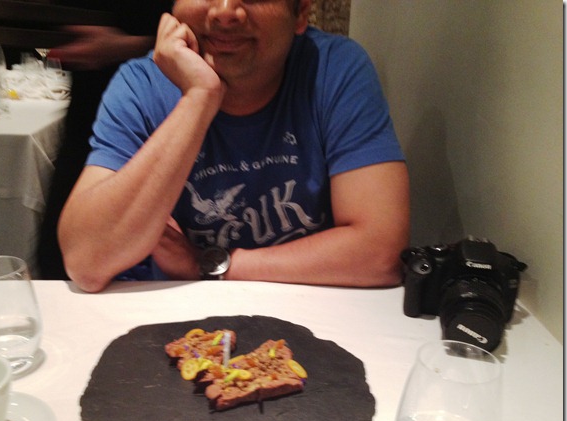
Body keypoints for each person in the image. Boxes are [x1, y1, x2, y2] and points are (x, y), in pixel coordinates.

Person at [58, 0, 410, 293]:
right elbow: (86, 262)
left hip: (307, 310)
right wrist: (199, 96)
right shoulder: (141, 84)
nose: (225, 11)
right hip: (179, 317)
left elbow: (380, 252)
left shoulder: (335, 69)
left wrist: (208, 265)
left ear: (301, 12)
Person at [37, 1, 170, 279]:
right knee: (63, 256)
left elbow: (196, 29)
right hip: (89, 113)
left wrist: (128, 46)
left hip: (161, 99)